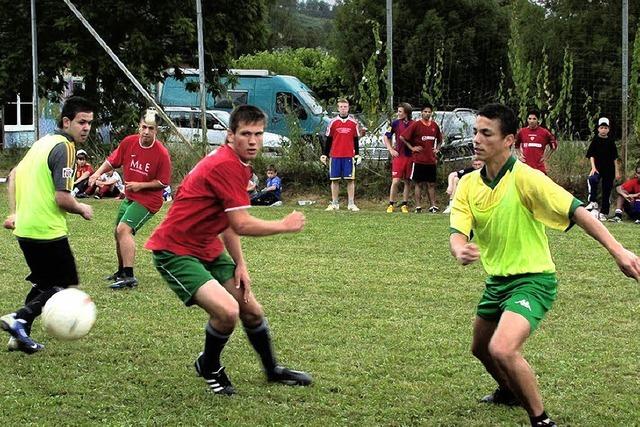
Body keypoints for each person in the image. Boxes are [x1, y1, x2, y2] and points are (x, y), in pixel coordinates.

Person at [449, 103, 640, 427]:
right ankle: (508, 390)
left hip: (533, 280)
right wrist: (459, 250)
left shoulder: (527, 179)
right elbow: (458, 229)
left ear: (509, 140)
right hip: (498, 282)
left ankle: (541, 420)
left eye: (486, 133)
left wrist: (619, 251)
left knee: (502, 348)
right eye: (475, 132)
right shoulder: (469, 184)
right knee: (480, 348)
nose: (476, 140)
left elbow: (577, 211)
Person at [145, 105, 312, 395]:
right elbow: (242, 223)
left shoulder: (238, 164)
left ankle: (272, 370)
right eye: (245, 134)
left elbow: (227, 222)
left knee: (252, 311)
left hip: (207, 245)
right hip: (176, 249)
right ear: (229, 135)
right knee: (226, 312)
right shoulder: (225, 164)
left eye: (258, 134)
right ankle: (209, 365)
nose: (253, 141)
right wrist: (283, 225)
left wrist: (240, 264)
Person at [1, 96, 95, 353]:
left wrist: (15, 212)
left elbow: (13, 176)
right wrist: (81, 208)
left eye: (89, 123)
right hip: (47, 230)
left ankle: (20, 335)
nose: (86, 127)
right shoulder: (65, 148)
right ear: (66, 122)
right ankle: (19, 318)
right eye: (81, 122)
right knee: (62, 284)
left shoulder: (42, 142)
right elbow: (62, 198)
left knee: (43, 284)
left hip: (26, 229)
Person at [89, 109, 172, 289]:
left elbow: (163, 182)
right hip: (130, 197)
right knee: (117, 232)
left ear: (156, 131)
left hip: (149, 201)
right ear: (139, 126)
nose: (146, 132)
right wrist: (96, 174)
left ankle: (129, 277)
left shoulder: (162, 154)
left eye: (151, 128)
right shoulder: (129, 142)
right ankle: (121, 272)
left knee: (124, 229)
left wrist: (140, 185)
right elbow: (112, 161)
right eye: (144, 127)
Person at [400, 104, 442, 213]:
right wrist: (412, 148)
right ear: (421, 113)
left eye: (429, 112)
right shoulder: (416, 125)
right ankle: (418, 206)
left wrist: (437, 149)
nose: (427, 114)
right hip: (419, 159)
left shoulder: (434, 126)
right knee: (418, 183)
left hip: (431, 160)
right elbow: (402, 137)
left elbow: (440, 139)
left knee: (431, 184)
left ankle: (433, 206)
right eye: (425, 112)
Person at [321, 98, 361, 211]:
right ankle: (334, 203)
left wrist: (357, 154)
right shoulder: (333, 122)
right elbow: (328, 139)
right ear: (338, 108)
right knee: (334, 180)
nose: (343, 109)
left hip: (349, 155)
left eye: (345, 107)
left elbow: (355, 139)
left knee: (350, 180)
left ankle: (351, 203)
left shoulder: (353, 123)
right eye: (341, 107)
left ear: (348, 108)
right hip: (335, 155)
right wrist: (325, 154)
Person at [584, 117, 621, 221]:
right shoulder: (595, 140)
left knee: (607, 190)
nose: (603, 129)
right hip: (597, 168)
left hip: (609, 170)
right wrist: (593, 168)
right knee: (592, 179)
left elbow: (615, 158)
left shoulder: (611, 141)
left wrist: (617, 171)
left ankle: (604, 212)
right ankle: (593, 201)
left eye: (605, 127)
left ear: (608, 129)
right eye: (602, 127)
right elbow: (591, 155)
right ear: (598, 129)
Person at [383, 102, 414, 213]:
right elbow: (386, 137)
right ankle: (391, 204)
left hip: (410, 157)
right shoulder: (395, 123)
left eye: (400, 111)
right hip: (399, 156)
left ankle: (404, 204)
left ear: (406, 113)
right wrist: (391, 149)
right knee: (395, 181)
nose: (398, 113)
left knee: (407, 181)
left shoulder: (414, 124)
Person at [515, 109, 557, 174]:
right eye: (530, 118)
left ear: (538, 120)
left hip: (539, 168)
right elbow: (516, 145)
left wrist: (546, 157)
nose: (531, 121)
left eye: (534, 119)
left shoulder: (544, 132)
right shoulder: (522, 132)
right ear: (527, 119)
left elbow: (554, 147)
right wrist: (519, 156)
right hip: (526, 167)